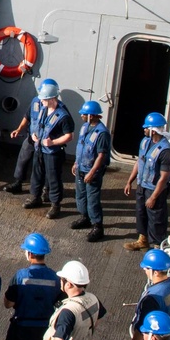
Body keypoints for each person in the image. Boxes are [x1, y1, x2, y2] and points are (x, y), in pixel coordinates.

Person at [124, 113, 170, 252]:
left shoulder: (165, 151)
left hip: (154, 190)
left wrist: (153, 197)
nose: (144, 130)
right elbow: (139, 162)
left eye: (146, 128)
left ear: (153, 130)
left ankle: (158, 247)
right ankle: (143, 240)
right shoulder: (145, 142)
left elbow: (164, 177)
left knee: (156, 218)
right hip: (142, 186)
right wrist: (130, 181)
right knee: (141, 213)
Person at [24, 83, 75, 220]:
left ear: (52, 98)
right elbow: (38, 124)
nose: (41, 101)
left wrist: (53, 142)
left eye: (44, 99)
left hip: (53, 153)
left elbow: (69, 136)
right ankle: (35, 197)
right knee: (37, 174)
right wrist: (35, 135)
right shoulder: (44, 109)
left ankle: (55, 205)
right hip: (39, 148)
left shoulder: (63, 116)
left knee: (53, 179)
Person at [125, 249, 170, 340]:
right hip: (169, 337)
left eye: (147, 268)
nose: (144, 269)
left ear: (156, 272)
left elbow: (142, 330)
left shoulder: (151, 299)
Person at [70, 100, 111, 242]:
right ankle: (85, 217)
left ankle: (97, 226)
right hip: (81, 168)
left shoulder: (102, 133)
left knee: (93, 200)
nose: (82, 116)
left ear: (92, 115)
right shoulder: (84, 127)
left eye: (84, 114)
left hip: (91, 172)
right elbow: (81, 147)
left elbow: (101, 155)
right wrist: (76, 163)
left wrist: (92, 172)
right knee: (80, 196)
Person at [4, 78, 52, 195]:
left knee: (44, 165)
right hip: (31, 138)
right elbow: (27, 116)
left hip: (44, 143)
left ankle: (46, 189)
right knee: (23, 159)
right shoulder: (35, 101)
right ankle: (18, 182)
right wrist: (18, 129)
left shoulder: (57, 108)